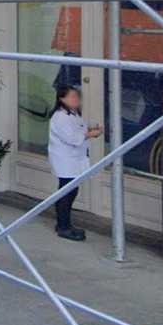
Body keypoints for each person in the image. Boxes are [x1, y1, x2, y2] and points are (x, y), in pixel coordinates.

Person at [48, 85, 104, 240]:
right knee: (67, 192)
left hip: (73, 159)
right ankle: (63, 226)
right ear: (62, 99)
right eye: (72, 97)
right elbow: (71, 138)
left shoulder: (73, 114)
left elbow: (77, 131)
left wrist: (89, 131)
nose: (76, 100)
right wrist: (91, 134)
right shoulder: (60, 117)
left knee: (69, 191)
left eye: (77, 97)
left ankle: (64, 224)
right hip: (65, 159)